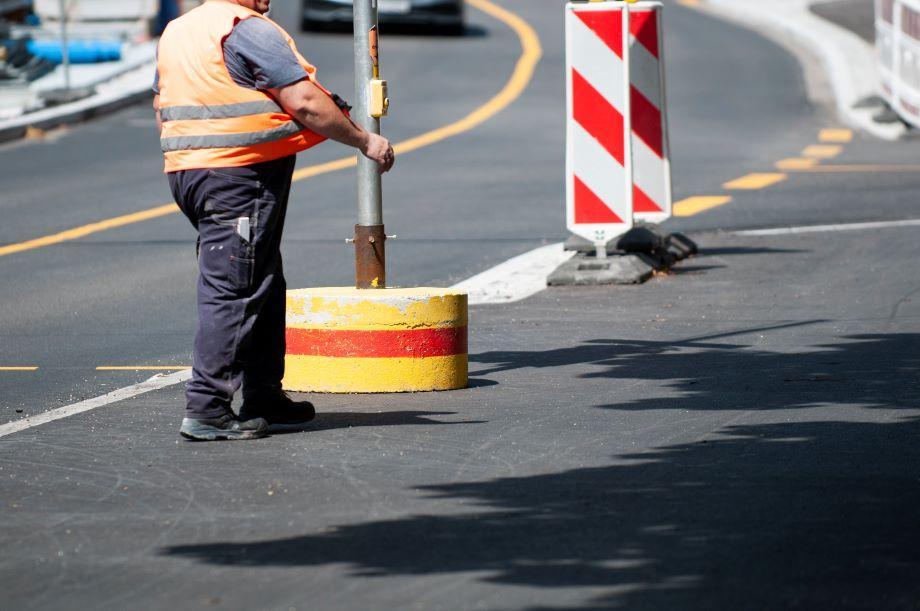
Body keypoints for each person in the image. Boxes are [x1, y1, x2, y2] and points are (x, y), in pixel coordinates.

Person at [153, 0, 394, 441]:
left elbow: (167, 99)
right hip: (237, 174)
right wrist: (364, 140)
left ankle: (264, 394)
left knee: (260, 275)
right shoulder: (246, 29)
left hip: (190, 170)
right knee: (234, 286)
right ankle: (207, 408)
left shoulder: (180, 30)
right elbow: (304, 102)